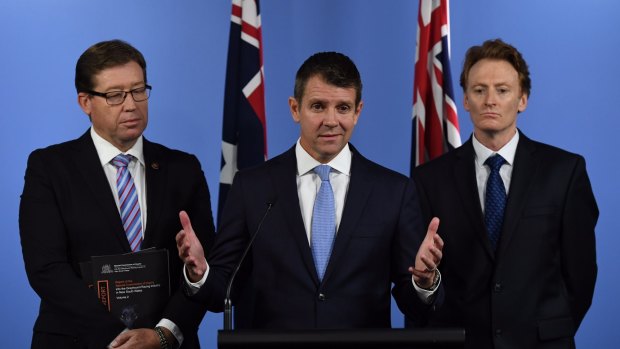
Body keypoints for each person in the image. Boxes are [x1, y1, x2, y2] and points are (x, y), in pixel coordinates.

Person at [176, 51, 444, 329]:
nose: (331, 120)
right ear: (295, 109)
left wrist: (424, 282)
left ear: (357, 112)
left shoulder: (393, 191)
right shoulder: (251, 187)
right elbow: (222, 291)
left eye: (342, 108)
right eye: (318, 106)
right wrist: (200, 273)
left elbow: (412, 302)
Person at [19, 39, 216, 349]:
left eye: (139, 91)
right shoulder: (49, 167)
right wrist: (120, 337)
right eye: (115, 95)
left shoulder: (183, 168)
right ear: (85, 102)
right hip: (77, 340)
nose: (131, 104)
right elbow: (46, 269)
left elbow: (205, 266)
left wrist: (163, 334)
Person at [409, 38, 598, 348]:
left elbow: (581, 275)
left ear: (522, 99)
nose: (490, 100)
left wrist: (549, 332)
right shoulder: (429, 179)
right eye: (479, 90)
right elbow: (420, 278)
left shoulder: (564, 172)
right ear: (466, 100)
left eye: (502, 90)